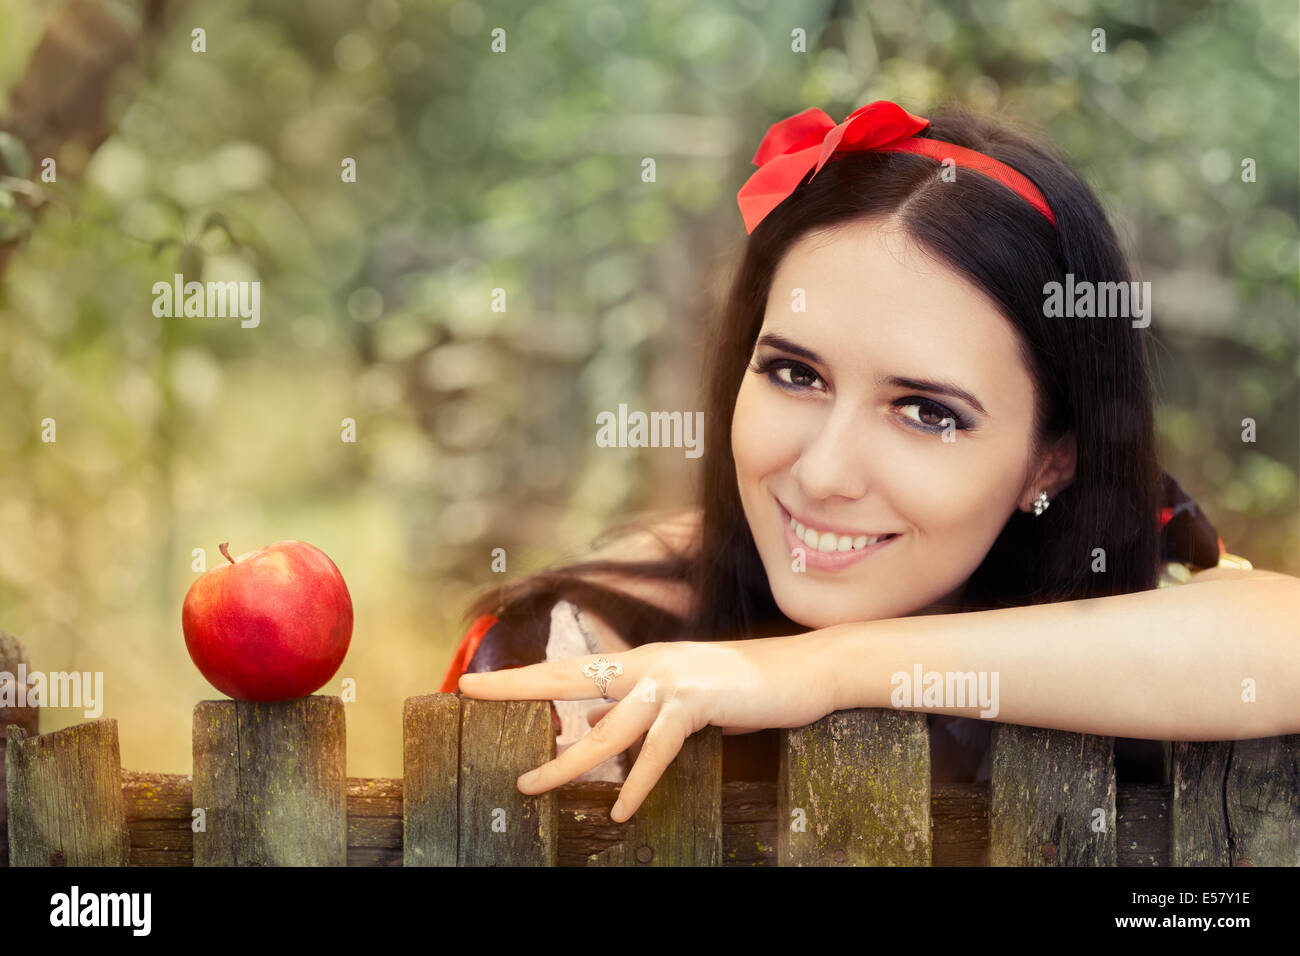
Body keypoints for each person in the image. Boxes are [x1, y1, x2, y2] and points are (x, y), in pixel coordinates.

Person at [439, 100, 1295, 822]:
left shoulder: (1132, 590)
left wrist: (823, 667)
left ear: (1052, 464)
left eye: (927, 412)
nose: (822, 474)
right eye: (794, 373)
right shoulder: (575, 646)